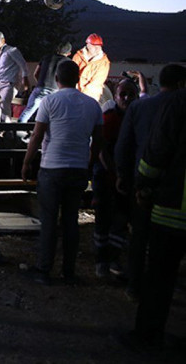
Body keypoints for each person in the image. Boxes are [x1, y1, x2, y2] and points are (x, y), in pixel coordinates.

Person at [21, 60, 103, 285]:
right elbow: (98, 141)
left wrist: (27, 162)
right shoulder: (92, 105)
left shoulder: (49, 101)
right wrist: (90, 163)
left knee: (48, 221)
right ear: (78, 79)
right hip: (77, 169)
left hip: (51, 168)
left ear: (56, 79)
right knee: (70, 221)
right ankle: (69, 272)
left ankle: (44, 269)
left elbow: (37, 136)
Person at [115, 64, 186, 299]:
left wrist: (124, 177)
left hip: (142, 186)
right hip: (174, 191)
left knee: (139, 236)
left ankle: (135, 285)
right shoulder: (178, 108)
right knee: (168, 246)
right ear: (181, 85)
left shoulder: (139, 107)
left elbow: (124, 146)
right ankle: (167, 286)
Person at [127, 88, 186, 349]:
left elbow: (157, 149)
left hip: (175, 208)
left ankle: (147, 337)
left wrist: (143, 184)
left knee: (160, 277)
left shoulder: (179, 101)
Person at [92, 78, 139, 279]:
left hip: (126, 178)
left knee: (121, 219)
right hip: (105, 176)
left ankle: (114, 258)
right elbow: (101, 150)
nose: (126, 98)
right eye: (122, 94)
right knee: (103, 219)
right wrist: (115, 174)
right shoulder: (109, 119)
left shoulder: (138, 119)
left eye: (131, 94)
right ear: (116, 96)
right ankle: (101, 261)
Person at [17, 42, 72, 122]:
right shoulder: (68, 62)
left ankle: (17, 130)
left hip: (40, 88)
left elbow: (35, 74)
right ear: (69, 53)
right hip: (56, 91)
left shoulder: (46, 57)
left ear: (57, 49)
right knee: (53, 116)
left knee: (28, 111)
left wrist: (41, 83)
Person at [0, 31, 29, 122]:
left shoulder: (12, 50)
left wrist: (25, 79)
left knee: (5, 107)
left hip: (10, 84)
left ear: (3, 40)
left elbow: (23, 64)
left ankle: (7, 130)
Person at [72, 33, 110, 102]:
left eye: (99, 46)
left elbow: (97, 82)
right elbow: (72, 73)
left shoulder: (104, 62)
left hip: (91, 95)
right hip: (75, 92)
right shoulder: (78, 56)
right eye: (95, 46)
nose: (97, 49)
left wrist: (82, 95)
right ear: (88, 45)